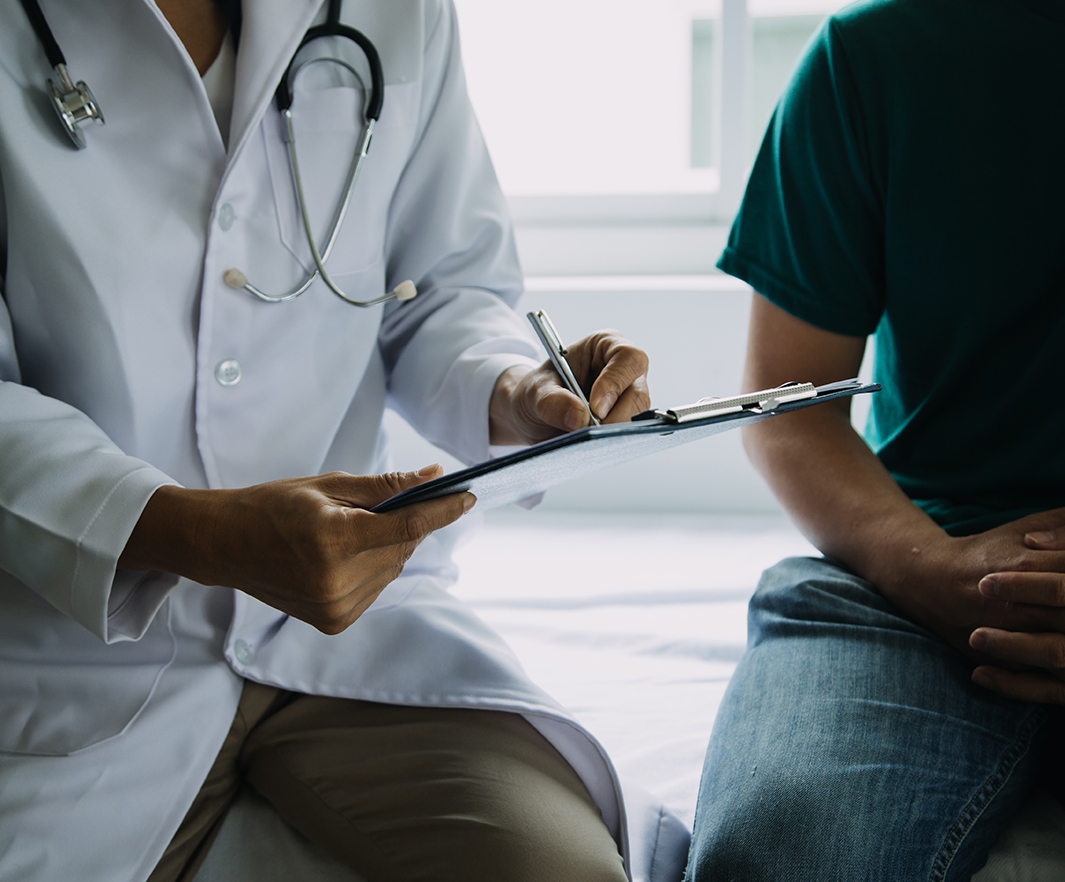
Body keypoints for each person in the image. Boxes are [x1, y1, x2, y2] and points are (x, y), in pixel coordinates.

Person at [0, 1, 664, 880]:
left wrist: (519, 389)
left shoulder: (397, 10)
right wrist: (192, 531)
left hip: (358, 623)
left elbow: (436, 292)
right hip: (70, 645)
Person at [685, 0, 1065, 879]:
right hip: (910, 579)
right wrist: (927, 569)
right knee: (773, 860)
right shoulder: (872, 56)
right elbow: (789, 401)